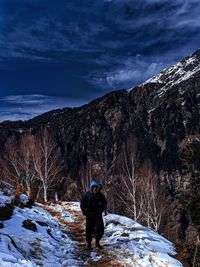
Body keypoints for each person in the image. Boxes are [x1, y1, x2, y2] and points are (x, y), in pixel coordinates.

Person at [80, 178, 107, 250]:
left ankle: (97, 242)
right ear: (91, 188)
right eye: (93, 188)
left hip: (98, 215)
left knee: (100, 229)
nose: (95, 189)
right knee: (89, 230)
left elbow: (105, 203)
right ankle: (89, 244)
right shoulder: (87, 195)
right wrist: (84, 211)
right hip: (90, 215)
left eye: (96, 188)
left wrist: (103, 209)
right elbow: (82, 204)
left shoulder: (101, 196)